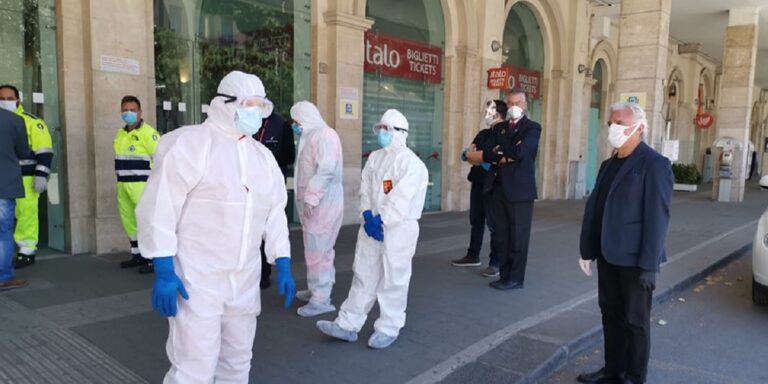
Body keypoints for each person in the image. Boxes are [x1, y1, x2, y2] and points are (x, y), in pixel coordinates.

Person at [136, 71, 296, 383]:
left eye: (261, 106)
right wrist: (164, 269)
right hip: (197, 279)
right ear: (225, 103)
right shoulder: (191, 144)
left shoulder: (262, 157)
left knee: (237, 364)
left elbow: (275, 212)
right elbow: (160, 208)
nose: (256, 113)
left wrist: (284, 262)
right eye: (249, 104)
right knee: (193, 368)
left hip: (245, 281)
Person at [576, 102, 673, 384]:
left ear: (638, 128)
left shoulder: (655, 165)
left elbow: (657, 219)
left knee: (635, 323)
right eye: (610, 123)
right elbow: (595, 209)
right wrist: (587, 249)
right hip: (608, 255)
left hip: (635, 261)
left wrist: (649, 266)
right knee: (611, 316)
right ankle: (612, 370)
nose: (612, 128)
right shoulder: (608, 164)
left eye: (618, 122)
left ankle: (633, 376)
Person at [316, 109, 428, 350]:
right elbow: (365, 186)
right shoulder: (376, 158)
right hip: (371, 227)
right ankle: (347, 324)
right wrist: (367, 214)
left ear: (401, 133)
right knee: (363, 274)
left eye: (388, 129)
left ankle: (389, 327)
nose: (382, 133)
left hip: (398, 229)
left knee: (393, 279)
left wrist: (381, 220)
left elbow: (401, 199)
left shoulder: (412, 164)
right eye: (381, 128)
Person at [479, 89, 541, 290]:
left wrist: (503, 151)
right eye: (511, 102)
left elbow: (522, 152)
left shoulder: (532, 128)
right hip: (499, 188)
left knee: (518, 236)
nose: (514, 106)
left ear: (525, 105)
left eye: (518, 103)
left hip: (521, 190)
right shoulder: (500, 128)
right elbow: (489, 153)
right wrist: (505, 153)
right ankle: (504, 276)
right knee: (502, 235)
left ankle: (515, 278)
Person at [289, 101, 344, 317]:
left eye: (296, 121)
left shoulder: (325, 135)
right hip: (317, 202)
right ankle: (316, 289)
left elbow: (326, 169)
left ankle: (321, 299)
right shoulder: (312, 135)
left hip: (323, 202)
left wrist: (311, 198)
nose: (295, 125)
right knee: (316, 249)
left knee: (318, 250)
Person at [451, 99, 508, 278]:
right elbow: (467, 154)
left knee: (494, 224)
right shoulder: (483, 133)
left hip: (494, 184)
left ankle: (496, 262)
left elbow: (494, 158)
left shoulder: (505, 133)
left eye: (488, 112)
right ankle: (473, 255)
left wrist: (478, 157)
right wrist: (475, 156)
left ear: (497, 114)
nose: (485, 115)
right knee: (476, 220)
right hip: (478, 182)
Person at [0, 85, 53, 269]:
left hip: (26, 178)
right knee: (7, 216)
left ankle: (27, 251)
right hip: (5, 178)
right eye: (2, 98)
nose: (5, 101)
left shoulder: (31, 122)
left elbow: (45, 151)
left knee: (26, 215)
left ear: (18, 100)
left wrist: (41, 175)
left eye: (9, 98)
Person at [114, 96, 160, 274]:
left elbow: (160, 160)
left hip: (142, 186)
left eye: (132, 110)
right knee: (130, 222)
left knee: (147, 222)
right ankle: (137, 254)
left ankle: (152, 258)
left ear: (140, 112)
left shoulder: (149, 134)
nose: (128, 113)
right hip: (123, 185)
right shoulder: (121, 134)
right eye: (125, 110)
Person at [253, 103, 296, 289]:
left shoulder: (281, 124)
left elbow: (289, 155)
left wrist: (267, 159)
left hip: (271, 184)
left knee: (270, 226)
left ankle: (264, 273)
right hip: (249, 184)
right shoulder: (247, 123)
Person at [0, 108, 30, 290]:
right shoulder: (14, 120)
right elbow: (24, 152)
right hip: (4, 184)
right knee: (3, 232)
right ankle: (4, 277)